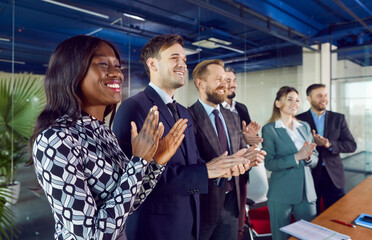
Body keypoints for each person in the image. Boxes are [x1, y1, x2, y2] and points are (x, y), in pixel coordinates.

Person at [30, 35, 187, 239]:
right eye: (103, 64)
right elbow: (93, 235)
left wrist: (156, 162)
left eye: (118, 66)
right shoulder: (55, 139)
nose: (117, 74)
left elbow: (128, 203)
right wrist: (138, 162)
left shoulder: (102, 131)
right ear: (71, 72)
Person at [112, 34, 250, 240]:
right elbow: (133, 181)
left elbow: (193, 162)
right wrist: (206, 170)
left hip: (188, 221)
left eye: (184, 59)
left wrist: (222, 168)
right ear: (153, 64)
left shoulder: (183, 112)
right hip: (155, 227)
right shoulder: (134, 108)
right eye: (174, 58)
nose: (182, 64)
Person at [188, 59, 266, 240]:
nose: (225, 84)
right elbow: (190, 165)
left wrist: (249, 157)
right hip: (202, 206)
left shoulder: (232, 117)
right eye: (218, 79)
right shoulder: (187, 117)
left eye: (226, 79)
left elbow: (239, 152)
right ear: (200, 83)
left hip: (232, 203)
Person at [262, 86, 318, 240]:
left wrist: (308, 158)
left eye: (297, 100)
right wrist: (297, 156)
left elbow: (316, 158)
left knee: (310, 236)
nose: (295, 103)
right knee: (281, 237)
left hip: (307, 193)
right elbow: (269, 164)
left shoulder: (304, 126)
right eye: (290, 99)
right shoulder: (270, 129)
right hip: (281, 193)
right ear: (278, 103)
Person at [296, 84, 357, 213]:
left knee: (337, 213)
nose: (324, 99)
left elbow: (351, 145)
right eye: (319, 96)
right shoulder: (299, 120)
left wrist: (329, 144)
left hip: (334, 175)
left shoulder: (338, 118)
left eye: (325, 95)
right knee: (312, 215)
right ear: (309, 98)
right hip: (310, 174)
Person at [222, 66, 262, 146]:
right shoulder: (215, 110)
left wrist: (252, 137)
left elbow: (250, 137)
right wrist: (242, 138)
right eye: (228, 81)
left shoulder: (242, 108)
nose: (233, 85)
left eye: (234, 81)